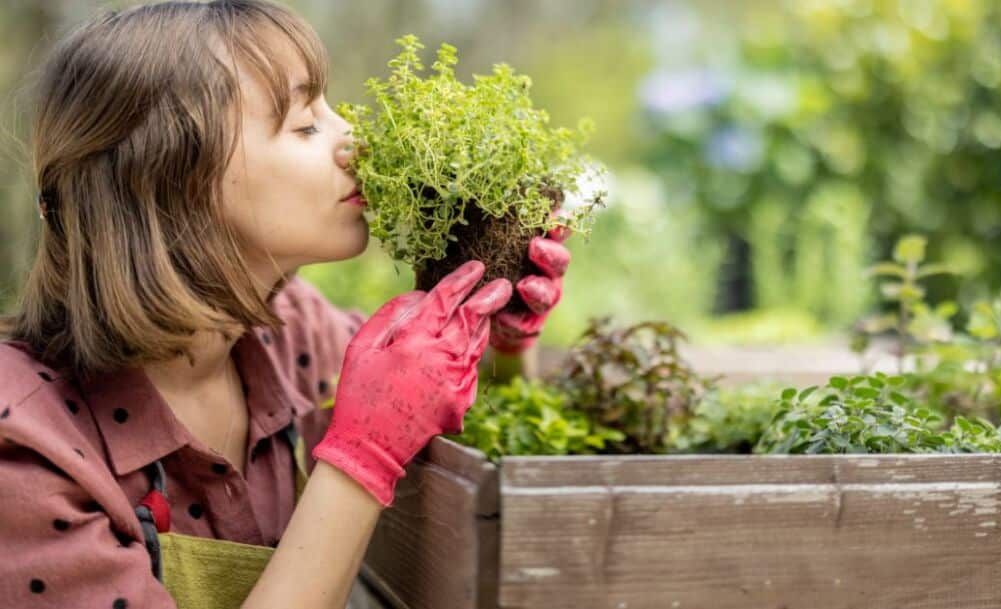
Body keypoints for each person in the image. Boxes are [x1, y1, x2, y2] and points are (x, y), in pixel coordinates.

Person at [0, 1, 572, 608]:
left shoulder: (291, 331)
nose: (355, 141)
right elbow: (378, 437)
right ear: (170, 182)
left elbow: (433, 413)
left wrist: (498, 344)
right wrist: (361, 458)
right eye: (304, 126)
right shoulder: (25, 449)